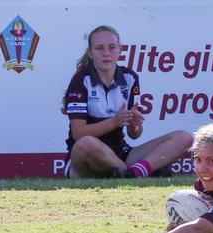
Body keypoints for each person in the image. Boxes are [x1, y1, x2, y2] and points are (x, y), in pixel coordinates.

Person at [62, 25, 193, 178]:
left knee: (185, 137)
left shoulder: (130, 78)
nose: (106, 53)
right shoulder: (80, 81)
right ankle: (134, 171)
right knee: (87, 143)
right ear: (90, 53)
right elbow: (79, 133)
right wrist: (114, 122)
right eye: (99, 48)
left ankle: (135, 171)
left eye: (112, 47)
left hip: (120, 152)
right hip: (85, 158)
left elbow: (134, 135)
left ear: (120, 51)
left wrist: (135, 125)